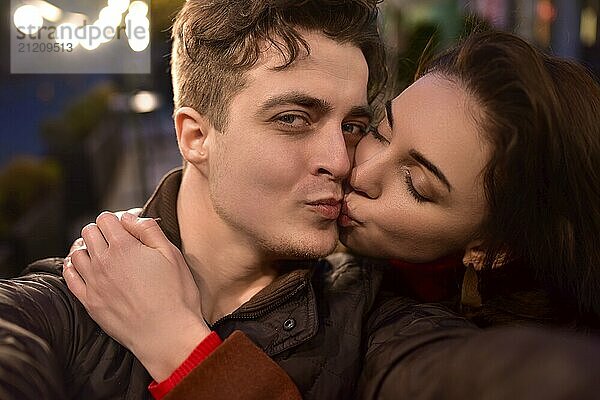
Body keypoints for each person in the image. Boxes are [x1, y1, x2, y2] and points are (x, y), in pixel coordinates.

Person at [68, 29, 600, 399]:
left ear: (491, 249)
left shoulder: (456, 338)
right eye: (377, 132)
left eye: (415, 183)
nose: (353, 168)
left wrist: (176, 343)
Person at [0, 1, 483, 399]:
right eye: (294, 119)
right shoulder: (60, 308)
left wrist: (182, 347)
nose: (340, 160)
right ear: (194, 136)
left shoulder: (377, 315)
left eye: (353, 127)